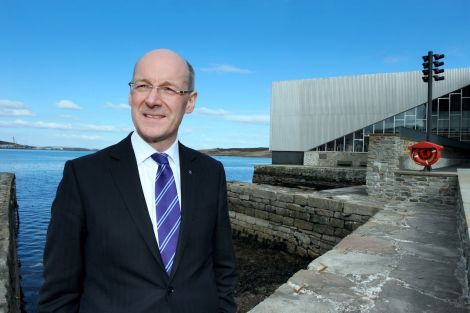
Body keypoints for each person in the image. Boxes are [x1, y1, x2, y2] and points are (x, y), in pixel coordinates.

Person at [38, 49, 238, 313]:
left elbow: (222, 266)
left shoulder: (211, 173)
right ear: (131, 95)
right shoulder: (83, 175)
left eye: (168, 89)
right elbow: (59, 293)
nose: (152, 100)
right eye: (143, 86)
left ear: (190, 102)